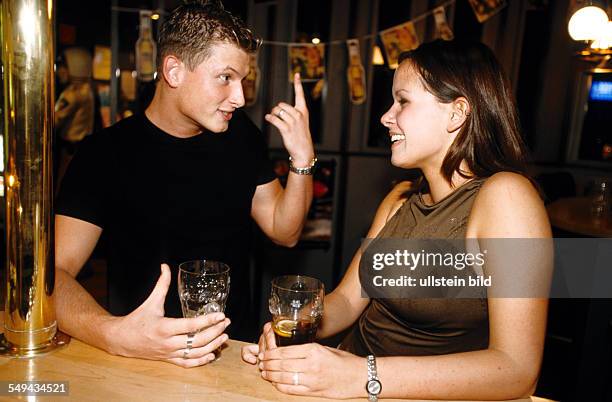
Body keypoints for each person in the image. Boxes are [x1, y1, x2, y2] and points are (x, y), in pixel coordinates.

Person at [242, 39, 552, 400]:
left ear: (456, 113)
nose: (385, 117)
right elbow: (346, 299)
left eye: (402, 101)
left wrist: (362, 374)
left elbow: (517, 370)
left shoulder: (507, 197)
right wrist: (296, 326)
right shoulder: (399, 198)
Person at [55, 0, 315, 368]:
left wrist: (303, 162)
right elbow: (53, 274)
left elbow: (284, 231)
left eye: (243, 80)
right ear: (174, 71)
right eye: (226, 77)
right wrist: (114, 335)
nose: (240, 98)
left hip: (230, 352)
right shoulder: (105, 153)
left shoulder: (242, 136)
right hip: (137, 360)